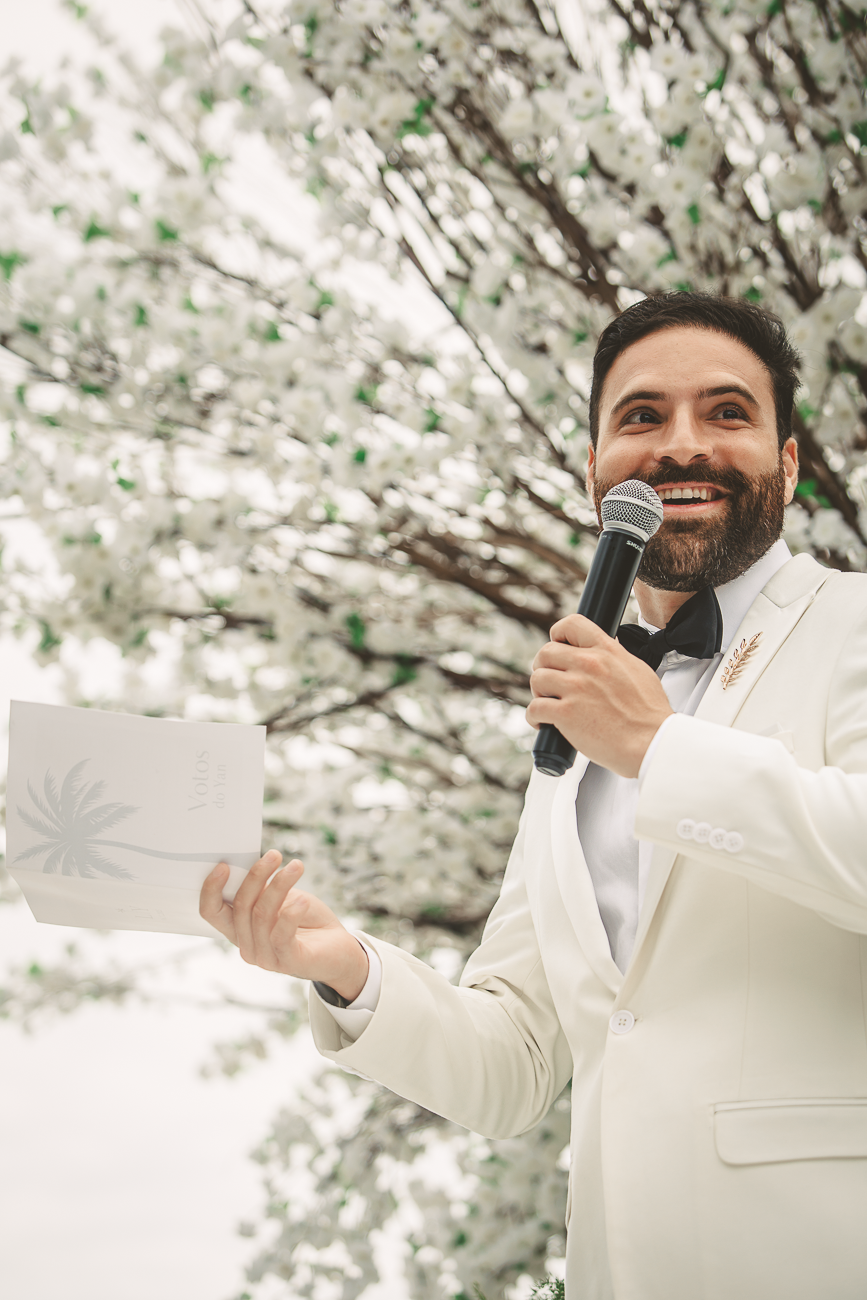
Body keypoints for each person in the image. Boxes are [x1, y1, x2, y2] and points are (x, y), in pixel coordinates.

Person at [200, 293, 867, 1300]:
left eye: (727, 413)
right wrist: (342, 966)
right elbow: (513, 1061)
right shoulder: (576, 726)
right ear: (598, 472)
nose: (682, 444)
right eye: (641, 417)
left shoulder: (849, 626)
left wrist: (656, 746)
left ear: (787, 464)